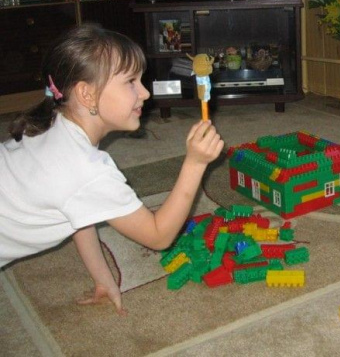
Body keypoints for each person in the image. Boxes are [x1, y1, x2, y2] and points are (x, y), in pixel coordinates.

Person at [0, 24, 224, 315]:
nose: (144, 93)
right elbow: (158, 236)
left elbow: (81, 211)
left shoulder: (52, 123)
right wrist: (194, 164)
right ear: (87, 95)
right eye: (131, 81)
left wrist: (102, 276)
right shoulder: (88, 171)